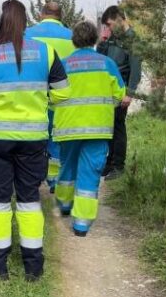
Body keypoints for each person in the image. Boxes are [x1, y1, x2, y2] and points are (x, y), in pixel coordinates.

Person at [0, 0, 70, 281]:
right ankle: (33, 268)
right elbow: (62, 93)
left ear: (2, 20)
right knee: (29, 201)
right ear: (27, 22)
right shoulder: (46, 52)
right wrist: (40, 98)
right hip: (33, 139)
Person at [53, 20, 126, 236]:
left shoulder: (62, 65)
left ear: (73, 40)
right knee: (90, 173)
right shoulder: (107, 64)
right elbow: (119, 95)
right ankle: (81, 224)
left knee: (66, 168)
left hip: (68, 128)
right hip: (97, 129)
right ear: (94, 39)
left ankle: (64, 206)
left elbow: (52, 97)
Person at [25, 2, 76, 193]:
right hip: (62, 99)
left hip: (34, 98)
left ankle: (33, 177)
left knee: (36, 140)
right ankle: (54, 179)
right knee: (57, 141)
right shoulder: (72, 37)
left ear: (41, 14)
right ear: (60, 16)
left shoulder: (27, 34)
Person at [97, 6, 142, 180]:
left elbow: (136, 69)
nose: (108, 28)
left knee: (118, 126)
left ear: (119, 19)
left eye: (109, 24)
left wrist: (129, 93)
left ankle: (118, 166)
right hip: (108, 88)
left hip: (121, 88)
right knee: (109, 127)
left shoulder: (133, 40)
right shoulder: (111, 39)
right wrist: (102, 41)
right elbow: (100, 57)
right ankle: (109, 163)